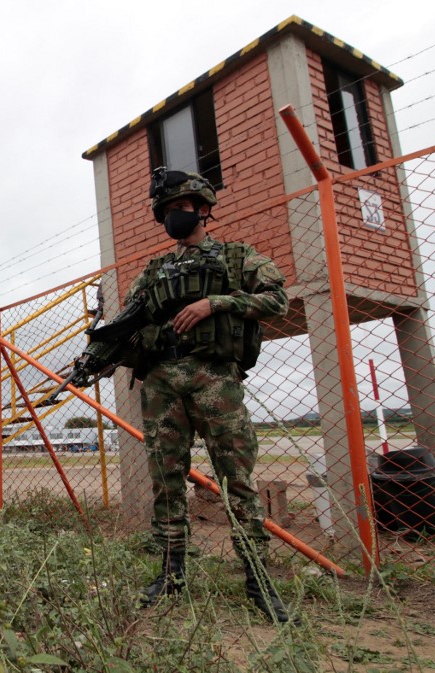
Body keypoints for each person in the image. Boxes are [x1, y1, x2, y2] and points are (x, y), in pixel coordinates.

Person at [121, 167, 296, 623]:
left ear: (202, 210)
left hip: (215, 378)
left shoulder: (237, 258)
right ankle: (171, 573)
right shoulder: (155, 271)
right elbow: (127, 322)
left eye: (178, 209)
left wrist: (217, 303)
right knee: (166, 478)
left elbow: (278, 300)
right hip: (161, 383)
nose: (171, 219)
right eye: (165, 212)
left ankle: (258, 580)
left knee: (236, 479)